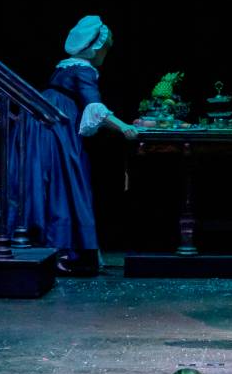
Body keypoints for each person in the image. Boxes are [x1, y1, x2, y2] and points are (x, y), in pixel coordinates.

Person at [9, 15, 138, 276]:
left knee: (46, 179)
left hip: (41, 122)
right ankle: (61, 249)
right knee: (63, 182)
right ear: (96, 47)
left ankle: (44, 242)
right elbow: (94, 108)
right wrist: (124, 127)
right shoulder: (83, 69)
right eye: (105, 47)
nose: (106, 53)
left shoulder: (65, 67)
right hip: (56, 126)